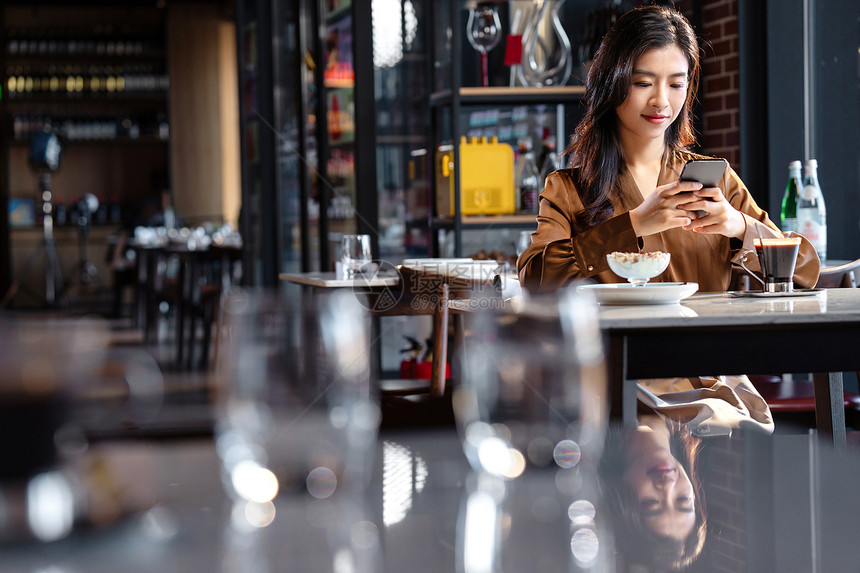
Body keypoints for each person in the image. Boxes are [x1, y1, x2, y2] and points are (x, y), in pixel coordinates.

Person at [516, 5, 821, 436]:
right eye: (643, 83)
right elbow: (534, 278)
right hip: (613, 380)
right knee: (644, 433)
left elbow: (806, 269)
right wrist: (634, 224)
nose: (662, 101)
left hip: (706, 379)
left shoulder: (714, 180)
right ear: (613, 83)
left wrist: (738, 227)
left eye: (676, 84)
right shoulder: (568, 188)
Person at [599, 416, 706, 572]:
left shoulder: (591, 423)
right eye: (683, 499)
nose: (667, 485)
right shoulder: (700, 411)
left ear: (621, 500)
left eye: (651, 502)